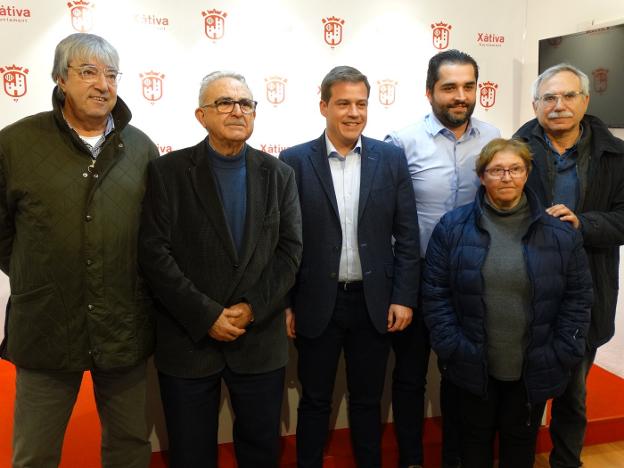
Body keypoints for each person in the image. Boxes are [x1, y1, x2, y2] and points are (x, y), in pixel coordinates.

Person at [0, 33, 157, 468]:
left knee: (129, 446)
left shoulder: (140, 147)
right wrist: (39, 271)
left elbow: (151, 235)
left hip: (122, 323)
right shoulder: (14, 144)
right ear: (59, 79)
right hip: (47, 323)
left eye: (111, 74)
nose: (102, 85)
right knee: (35, 453)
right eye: (88, 72)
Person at [138, 71, 302, 468]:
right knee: (190, 454)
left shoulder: (279, 174)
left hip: (258, 339)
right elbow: (154, 254)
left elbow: (289, 252)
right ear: (201, 115)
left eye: (246, 103)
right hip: (189, 341)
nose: (237, 111)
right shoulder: (168, 172)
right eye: (225, 103)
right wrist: (206, 314)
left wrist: (251, 308)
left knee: (262, 451)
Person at [279, 66, 419, 468]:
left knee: (367, 401)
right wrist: (287, 302)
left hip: (374, 303)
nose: (353, 112)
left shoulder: (390, 159)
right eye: (343, 103)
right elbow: (285, 242)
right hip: (316, 302)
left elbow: (407, 235)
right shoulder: (293, 161)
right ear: (323, 106)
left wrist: (404, 297)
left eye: (361, 103)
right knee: (315, 402)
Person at [423, 138, 592, 468]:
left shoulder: (559, 234)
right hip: (472, 365)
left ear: (527, 173)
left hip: (533, 366)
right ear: (482, 176)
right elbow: (435, 293)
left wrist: (562, 351)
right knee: (473, 445)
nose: (506, 177)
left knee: (519, 448)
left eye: (515, 169)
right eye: (496, 169)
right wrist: (452, 346)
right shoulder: (452, 227)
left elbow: (578, 297)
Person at [385, 49, 500, 468]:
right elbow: (387, 218)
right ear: (429, 91)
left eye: (468, 86)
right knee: (411, 378)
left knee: (466, 379)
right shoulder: (400, 142)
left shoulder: (495, 139)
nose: (460, 96)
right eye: (449, 87)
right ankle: (412, 460)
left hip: (472, 281)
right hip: (414, 282)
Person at [513, 63, 624, 468]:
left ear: (586, 101)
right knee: (524, 394)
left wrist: (584, 224)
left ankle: (566, 462)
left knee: (573, 394)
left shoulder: (616, 155)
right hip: (526, 290)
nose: (558, 106)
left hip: (587, 289)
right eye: (549, 98)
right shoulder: (515, 151)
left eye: (568, 96)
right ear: (535, 104)